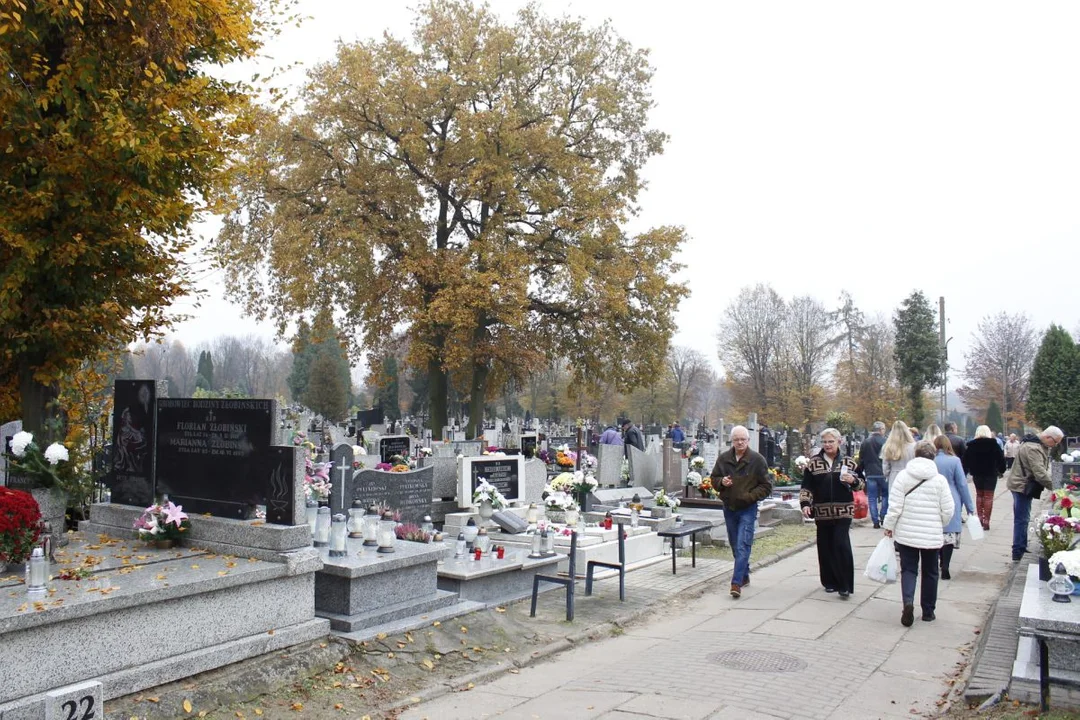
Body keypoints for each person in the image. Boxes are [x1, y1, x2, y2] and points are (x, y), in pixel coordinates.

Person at [882, 441, 955, 626]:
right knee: (930, 572)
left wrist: (889, 526)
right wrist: (940, 523)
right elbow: (948, 509)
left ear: (915, 455)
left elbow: (895, 506)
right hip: (931, 534)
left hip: (907, 532)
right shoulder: (939, 480)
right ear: (933, 456)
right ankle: (928, 611)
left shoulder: (903, 477)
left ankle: (908, 602)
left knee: (909, 570)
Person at [800, 428, 863, 599]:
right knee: (825, 545)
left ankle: (845, 585)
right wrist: (805, 503)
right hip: (822, 510)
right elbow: (806, 486)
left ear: (839, 442)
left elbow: (861, 484)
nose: (828, 445)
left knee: (841, 544)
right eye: (825, 442)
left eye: (831, 441)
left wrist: (854, 481)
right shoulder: (813, 463)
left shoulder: (849, 462)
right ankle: (829, 582)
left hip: (844, 510)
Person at [710, 425, 772, 599]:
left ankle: (736, 583)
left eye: (742, 439)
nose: (739, 442)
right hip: (729, 507)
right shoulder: (724, 459)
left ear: (748, 440)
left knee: (743, 543)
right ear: (732, 440)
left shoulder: (757, 460)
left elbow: (766, 486)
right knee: (734, 544)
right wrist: (722, 482)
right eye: (736, 439)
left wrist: (750, 496)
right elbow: (713, 479)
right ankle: (744, 575)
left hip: (748, 508)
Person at [1005, 426, 1064, 561]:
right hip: (1022, 485)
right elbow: (1040, 473)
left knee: (1024, 517)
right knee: (1022, 519)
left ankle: (1021, 545)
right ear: (1048, 437)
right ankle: (1018, 550)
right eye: (1055, 442)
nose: (1055, 445)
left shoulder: (1037, 444)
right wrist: (1057, 488)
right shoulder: (1034, 448)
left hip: (1022, 484)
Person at [932, 435, 975, 580]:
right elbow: (962, 484)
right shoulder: (955, 461)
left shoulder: (931, 461)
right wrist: (969, 506)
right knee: (949, 532)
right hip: (952, 497)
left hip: (933, 497)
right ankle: (945, 565)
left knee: (936, 531)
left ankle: (937, 560)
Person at [963, 425, 1006, 531]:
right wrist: (1001, 470)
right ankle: (986, 520)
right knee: (988, 497)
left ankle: (980, 518)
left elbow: (965, 461)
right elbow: (1001, 460)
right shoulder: (994, 445)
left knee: (979, 495)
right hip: (991, 474)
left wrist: (969, 469)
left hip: (977, 474)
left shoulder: (972, 445)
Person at [857, 421, 888, 529]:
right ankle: (883, 515)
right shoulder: (885, 442)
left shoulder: (866, 442)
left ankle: (875, 521)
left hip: (870, 473)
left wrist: (860, 471)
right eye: (884, 429)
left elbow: (861, 458)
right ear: (881, 430)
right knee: (885, 495)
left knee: (872, 498)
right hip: (883, 473)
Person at [882, 421, 916, 509]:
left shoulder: (888, 447)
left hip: (895, 476)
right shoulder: (914, 446)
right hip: (910, 476)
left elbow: (885, 469)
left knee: (895, 505)